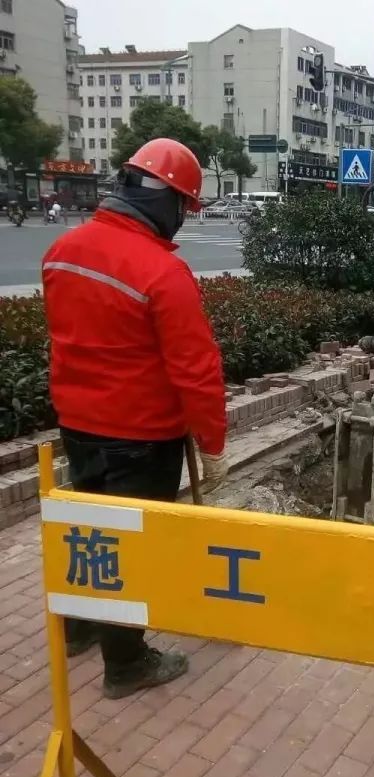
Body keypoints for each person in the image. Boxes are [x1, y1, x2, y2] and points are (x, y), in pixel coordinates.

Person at [42, 138, 229, 699]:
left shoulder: (61, 251)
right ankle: (126, 663)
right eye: (183, 209)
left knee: (90, 530)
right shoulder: (162, 274)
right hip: (142, 436)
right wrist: (213, 441)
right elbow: (196, 370)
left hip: (78, 423)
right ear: (167, 201)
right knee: (131, 548)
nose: (180, 222)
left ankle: (79, 629)